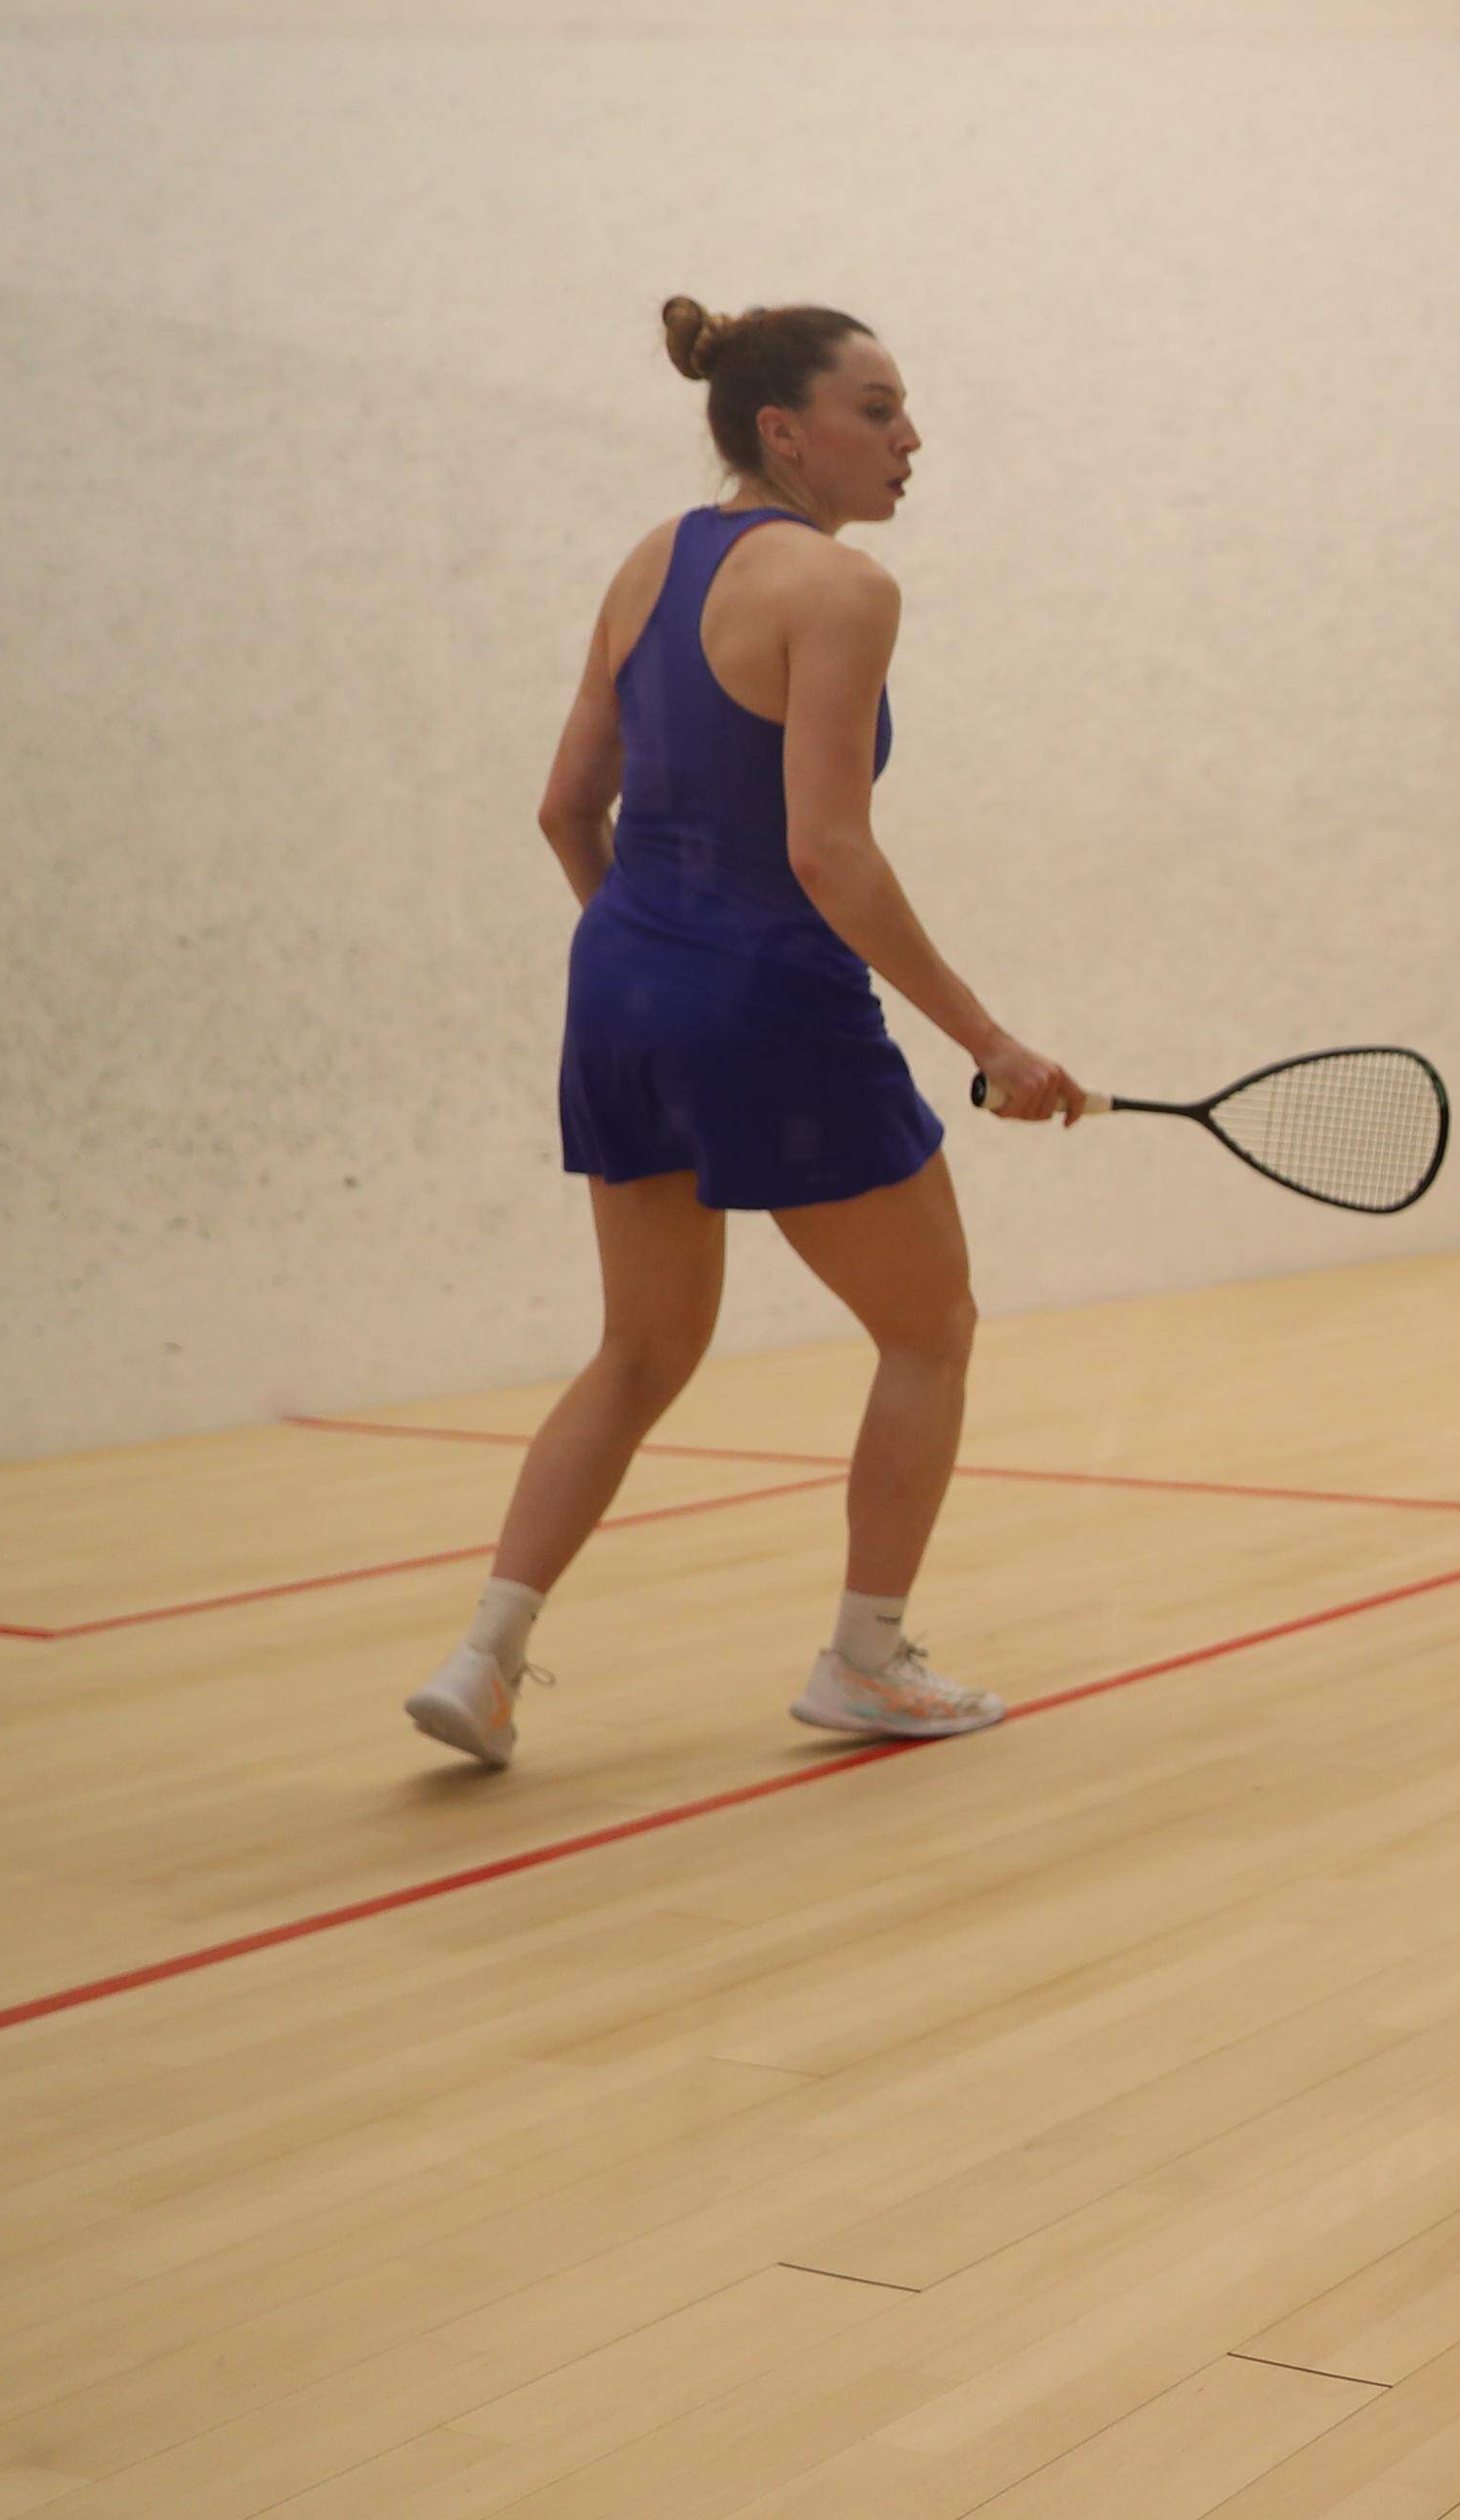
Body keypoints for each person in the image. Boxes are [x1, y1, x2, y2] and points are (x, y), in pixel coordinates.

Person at [400, 297, 1082, 1771]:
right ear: (787, 430)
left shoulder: (652, 561)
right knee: (930, 1325)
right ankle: (866, 1657)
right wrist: (995, 1042)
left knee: (641, 1350)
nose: (911, 440)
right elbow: (831, 853)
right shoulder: (840, 593)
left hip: (620, 986)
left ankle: (486, 1655)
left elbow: (563, 805)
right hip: (772, 997)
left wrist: (646, 950)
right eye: (880, 409)